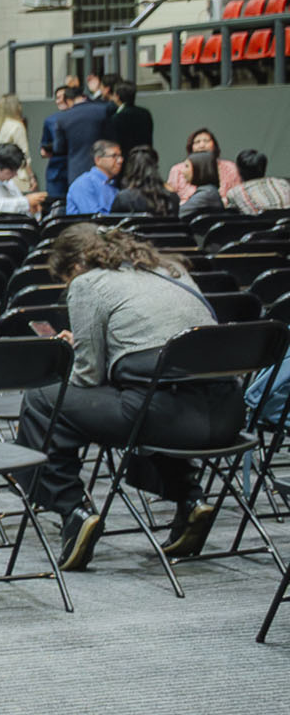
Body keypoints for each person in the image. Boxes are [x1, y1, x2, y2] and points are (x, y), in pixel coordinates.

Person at [16, 225, 234, 570]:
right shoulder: (169, 269)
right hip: (228, 416)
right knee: (143, 394)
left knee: (43, 399)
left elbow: (87, 376)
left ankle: (73, 509)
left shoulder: (88, 283)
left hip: (165, 419)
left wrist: (78, 351)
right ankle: (190, 498)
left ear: (74, 266)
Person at [52, 83, 114, 186]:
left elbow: (59, 148)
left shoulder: (63, 119)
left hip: (76, 170)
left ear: (68, 100)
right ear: (84, 96)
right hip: (102, 168)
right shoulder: (103, 110)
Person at [165, 128, 242, 203]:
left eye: (206, 141)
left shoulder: (230, 167)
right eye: (197, 142)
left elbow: (238, 196)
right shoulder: (177, 170)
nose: (202, 145)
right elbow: (171, 199)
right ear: (191, 147)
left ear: (214, 145)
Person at [0, 142, 47, 217]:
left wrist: (30, 207)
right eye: (11, 171)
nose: (15, 174)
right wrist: (26, 202)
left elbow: (19, 203)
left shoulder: (6, 181)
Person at [109, 145, 178, 217]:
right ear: (156, 167)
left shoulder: (123, 198)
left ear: (130, 168)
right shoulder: (172, 197)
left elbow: (113, 223)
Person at [0, 92, 36, 192]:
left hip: (0, 175)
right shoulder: (17, 126)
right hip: (17, 176)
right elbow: (24, 156)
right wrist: (31, 176)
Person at [65, 139, 123, 215]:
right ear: (98, 159)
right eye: (114, 156)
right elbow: (92, 217)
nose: (120, 160)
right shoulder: (84, 183)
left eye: (120, 156)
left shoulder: (112, 185)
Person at [225, 148, 290, 213]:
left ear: (239, 170)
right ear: (264, 168)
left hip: (260, 220)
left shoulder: (234, 193)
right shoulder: (282, 183)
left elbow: (231, 215)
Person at [38, 85, 72, 201]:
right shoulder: (50, 120)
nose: (60, 100)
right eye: (57, 98)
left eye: (63, 97)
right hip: (56, 171)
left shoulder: (80, 118)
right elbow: (43, 149)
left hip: (74, 169)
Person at [103, 80, 152, 155]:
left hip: (127, 157)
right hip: (145, 155)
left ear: (117, 97)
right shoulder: (145, 113)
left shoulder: (117, 117)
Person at [179, 150, 226, 218]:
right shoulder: (209, 191)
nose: (182, 171)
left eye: (187, 166)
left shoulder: (206, 194)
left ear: (200, 168)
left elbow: (179, 214)